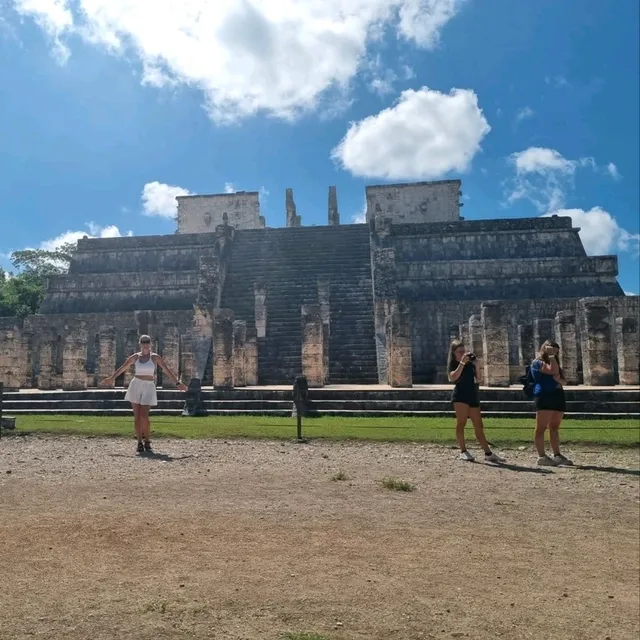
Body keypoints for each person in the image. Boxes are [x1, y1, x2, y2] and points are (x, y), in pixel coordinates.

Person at [102, 335, 187, 453]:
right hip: (136, 385)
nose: (145, 344)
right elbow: (123, 367)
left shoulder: (155, 357)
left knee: (144, 416)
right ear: (140, 343)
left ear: (150, 343)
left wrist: (178, 383)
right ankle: (139, 442)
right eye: (143, 342)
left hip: (148, 386)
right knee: (137, 417)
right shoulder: (136, 357)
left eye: (147, 342)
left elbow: (166, 370)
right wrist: (112, 378)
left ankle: (147, 440)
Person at [447, 339, 504, 463]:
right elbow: (453, 377)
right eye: (459, 351)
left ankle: (488, 453)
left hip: (473, 395)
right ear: (454, 353)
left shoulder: (470, 363)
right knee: (461, 423)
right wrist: (462, 363)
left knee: (479, 425)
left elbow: (478, 379)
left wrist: (477, 366)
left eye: (464, 351)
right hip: (460, 396)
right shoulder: (453, 364)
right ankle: (463, 451)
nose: (462, 353)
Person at [531, 340, 573, 467]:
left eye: (555, 349)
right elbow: (552, 371)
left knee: (554, 427)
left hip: (558, 395)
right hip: (544, 395)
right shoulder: (537, 362)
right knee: (541, 428)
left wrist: (559, 380)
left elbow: (563, 380)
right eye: (551, 348)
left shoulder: (555, 362)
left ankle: (557, 454)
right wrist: (550, 357)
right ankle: (542, 456)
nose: (554, 350)